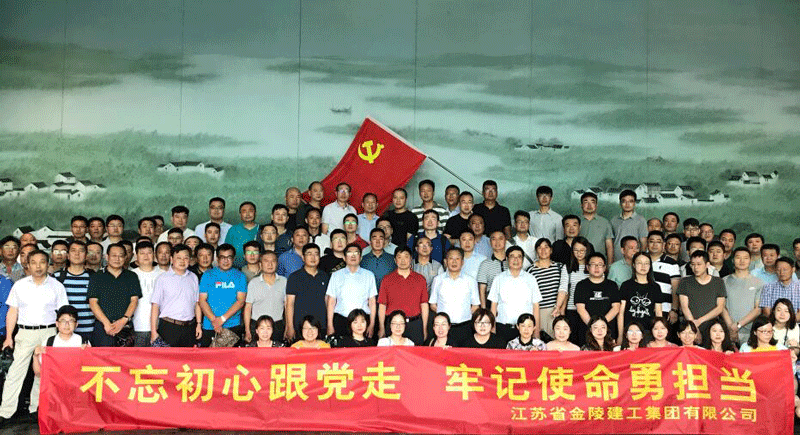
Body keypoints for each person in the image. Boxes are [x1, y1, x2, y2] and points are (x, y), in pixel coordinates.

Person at [1, 250, 67, 421]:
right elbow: (12, 312)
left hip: (49, 332)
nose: (38, 266)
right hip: (25, 333)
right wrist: (9, 337)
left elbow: (63, 313)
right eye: (34, 262)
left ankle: (37, 409)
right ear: (27, 265)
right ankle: (5, 412)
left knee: (43, 373)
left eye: (42, 262)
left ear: (48, 264)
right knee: (15, 373)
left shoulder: (57, 286)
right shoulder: (20, 285)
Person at [87, 244, 141, 347]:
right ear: (107, 257)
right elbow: (93, 303)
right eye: (114, 255)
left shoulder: (131, 276)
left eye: (121, 256)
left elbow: (134, 300)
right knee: (103, 357)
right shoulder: (97, 276)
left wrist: (123, 320)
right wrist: (106, 323)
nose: (117, 259)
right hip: (103, 326)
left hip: (125, 326)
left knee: (126, 357)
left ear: (125, 258)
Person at [149, 244, 202, 347]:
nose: (182, 261)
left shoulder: (193, 277)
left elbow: (197, 303)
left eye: (186, 258)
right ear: (171, 259)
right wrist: (153, 332)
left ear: (190, 260)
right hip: (169, 326)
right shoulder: (162, 279)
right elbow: (155, 306)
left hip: (189, 327)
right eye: (179, 258)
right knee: (168, 357)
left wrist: (198, 324)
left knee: (188, 356)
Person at [488, 246, 542, 342]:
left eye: (519, 257)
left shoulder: (531, 279)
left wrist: (536, 331)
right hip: (503, 328)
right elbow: (493, 306)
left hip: (525, 330)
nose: (516, 260)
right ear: (507, 259)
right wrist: (492, 329)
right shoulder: (498, 279)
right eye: (512, 256)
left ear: (523, 259)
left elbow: (536, 307)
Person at [198, 244, 247, 347]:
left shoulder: (240, 276)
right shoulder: (207, 275)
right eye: (222, 257)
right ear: (217, 258)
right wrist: (214, 320)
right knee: (208, 356)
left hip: (232, 325)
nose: (226, 260)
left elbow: (240, 301)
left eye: (229, 257)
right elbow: (202, 300)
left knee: (231, 357)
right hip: (210, 325)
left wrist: (222, 319)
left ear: (233, 259)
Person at [377, 247, 428, 344]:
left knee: (415, 353)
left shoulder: (420, 279)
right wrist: (382, 327)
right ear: (395, 260)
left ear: (411, 259)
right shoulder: (387, 279)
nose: (403, 260)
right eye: (399, 257)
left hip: (414, 324)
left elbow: (424, 305)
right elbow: (382, 305)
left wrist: (424, 328)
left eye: (406, 257)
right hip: (393, 325)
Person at [429, 248, 480, 344]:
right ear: (445, 261)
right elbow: (432, 304)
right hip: (444, 329)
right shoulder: (438, 280)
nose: (454, 262)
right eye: (451, 258)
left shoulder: (471, 281)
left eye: (457, 259)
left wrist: (464, 314)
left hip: (465, 327)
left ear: (462, 262)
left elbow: (475, 305)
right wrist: (444, 318)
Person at [326, 244, 377, 337]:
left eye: (356, 253)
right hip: (341, 320)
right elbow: (331, 301)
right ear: (344, 258)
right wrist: (330, 325)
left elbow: (372, 302)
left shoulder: (369, 275)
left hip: (362, 321)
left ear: (361, 257)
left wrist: (372, 325)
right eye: (349, 253)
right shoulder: (336, 275)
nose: (353, 256)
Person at [285, 244, 329, 341]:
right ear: (303, 257)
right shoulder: (294, 277)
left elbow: (328, 302)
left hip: (320, 325)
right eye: (309, 254)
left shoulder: (325, 276)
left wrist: (329, 324)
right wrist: (290, 327)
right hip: (300, 325)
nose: (313, 257)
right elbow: (290, 303)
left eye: (316, 254)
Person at [53, 241, 95, 342]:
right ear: (67, 255)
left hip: (88, 329)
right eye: (73, 251)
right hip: (64, 331)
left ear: (86, 256)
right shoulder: (57, 277)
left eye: (81, 251)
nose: (77, 254)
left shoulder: (94, 277)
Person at [677, 250, 726, 338]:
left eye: (699, 264)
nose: (695, 267)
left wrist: (699, 321)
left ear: (707, 265)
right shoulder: (685, 282)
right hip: (690, 329)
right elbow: (684, 307)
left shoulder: (718, 282)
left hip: (712, 328)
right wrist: (694, 328)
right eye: (693, 264)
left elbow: (720, 308)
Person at [527, 238, 568, 340]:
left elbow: (564, 289)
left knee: (557, 341)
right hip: (538, 311)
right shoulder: (531, 270)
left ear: (551, 250)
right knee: (539, 341)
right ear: (536, 251)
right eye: (539, 248)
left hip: (555, 310)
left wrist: (560, 308)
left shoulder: (559, 267)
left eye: (546, 247)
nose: (543, 250)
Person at [618, 252, 663, 343]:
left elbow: (658, 313)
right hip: (629, 331)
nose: (643, 266)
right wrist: (620, 335)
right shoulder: (626, 285)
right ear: (634, 265)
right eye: (639, 263)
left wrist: (659, 334)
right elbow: (621, 313)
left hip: (648, 332)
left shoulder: (655, 287)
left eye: (646, 263)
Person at [244, 251, 287, 344]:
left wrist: (288, 327)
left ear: (277, 264)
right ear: (260, 264)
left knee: (277, 352)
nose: (270, 264)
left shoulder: (284, 282)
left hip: (277, 325)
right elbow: (248, 308)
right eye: (266, 261)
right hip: (257, 325)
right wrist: (247, 330)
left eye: (273, 261)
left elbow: (287, 306)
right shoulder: (253, 283)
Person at [722, 247, 763, 344]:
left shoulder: (758, 282)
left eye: (745, 258)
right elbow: (722, 307)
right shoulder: (724, 281)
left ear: (750, 260)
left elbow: (757, 309)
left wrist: (738, 325)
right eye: (738, 257)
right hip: (727, 330)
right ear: (733, 260)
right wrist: (731, 327)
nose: (742, 261)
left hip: (750, 331)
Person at [575, 253, 620, 341]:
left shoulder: (612, 285)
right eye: (593, 264)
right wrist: (593, 326)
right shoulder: (581, 285)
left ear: (604, 268)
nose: (596, 268)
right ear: (587, 267)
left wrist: (602, 326)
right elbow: (580, 309)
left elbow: (616, 308)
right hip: (587, 330)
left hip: (608, 330)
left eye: (600, 265)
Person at [32, 305, 87, 377]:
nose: (67, 325)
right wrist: (35, 356)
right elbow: (39, 373)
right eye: (63, 321)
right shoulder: (49, 342)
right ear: (57, 323)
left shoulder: (82, 341)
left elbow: (89, 371)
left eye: (71, 321)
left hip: (75, 382)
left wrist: (88, 354)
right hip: (54, 383)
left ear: (76, 324)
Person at [557, 237, 592, 344]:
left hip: (589, 308)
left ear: (587, 250)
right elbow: (563, 288)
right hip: (572, 309)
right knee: (573, 341)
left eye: (582, 250)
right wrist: (558, 306)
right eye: (576, 250)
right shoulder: (568, 267)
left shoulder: (593, 266)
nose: (579, 253)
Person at [130, 241, 163, 346]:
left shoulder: (163, 274)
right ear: (136, 256)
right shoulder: (130, 275)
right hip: (138, 325)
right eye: (142, 253)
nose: (146, 256)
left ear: (154, 255)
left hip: (160, 325)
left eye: (149, 252)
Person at [647, 231, 680, 323]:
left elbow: (675, 289)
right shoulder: (642, 260)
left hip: (665, 309)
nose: (655, 245)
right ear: (647, 243)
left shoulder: (672, 264)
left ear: (663, 244)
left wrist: (674, 310)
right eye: (651, 241)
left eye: (658, 242)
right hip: (644, 308)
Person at [610, 189, 648, 262]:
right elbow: (611, 242)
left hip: (634, 260)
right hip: (617, 259)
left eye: (631, 201)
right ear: (620, 203)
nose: (627, 204)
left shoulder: (641, 220)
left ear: (634, 204)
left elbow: (643, 243)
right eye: (624, 201)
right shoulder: (614, 220)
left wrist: (640, 259)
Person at [476, 230, 509, 308]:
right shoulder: (485, 264)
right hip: (492, 303)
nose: (497, 242)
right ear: (490, 242)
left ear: (506, 241)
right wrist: (484, 309)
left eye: (500, 238)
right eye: (494, 239)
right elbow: (482, 289)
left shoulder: (511, 262)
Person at [579, 192, 614, 263]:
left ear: (596, 205)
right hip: (580, 262)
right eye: (586, 202)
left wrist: (609, 264)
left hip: (599, 263)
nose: (589, 205)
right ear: (581, 205)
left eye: (592, 202)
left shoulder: (605, 222)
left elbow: (609, 246)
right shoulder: (576, 222)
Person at [224, 201, 259, 269]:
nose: (247, 214)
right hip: (235, 269)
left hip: (256, 269)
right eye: (244, 211)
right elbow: (227, 250)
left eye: (250, 211)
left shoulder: (261, 229)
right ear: (240, 214)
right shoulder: (233, 230)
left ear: (255, 213)